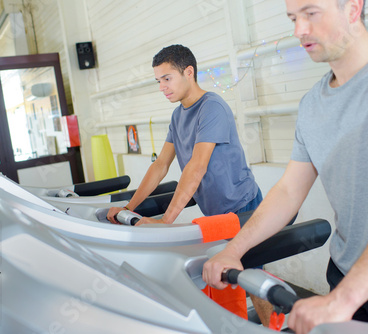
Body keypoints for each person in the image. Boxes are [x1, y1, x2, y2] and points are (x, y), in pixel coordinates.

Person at [202, 0, 368, 333]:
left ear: (353, 8)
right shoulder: (312, 104)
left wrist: (341, 301)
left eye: (311, 13)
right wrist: (234, 250)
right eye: (293, 18)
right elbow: (289, 191)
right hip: (349, 277)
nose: (299, 30)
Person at [106, 44, 273, 326]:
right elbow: (160, 165)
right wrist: (128, 207)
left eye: (167, 78)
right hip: (216, 213)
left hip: (242, 206)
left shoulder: (213, 108)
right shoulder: (178, 115)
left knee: (251, 275)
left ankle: (272, 327)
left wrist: (166, 221)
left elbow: (196, 167)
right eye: (158, 80)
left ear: (189, 72)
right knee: (224, 273)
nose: (162, 87)